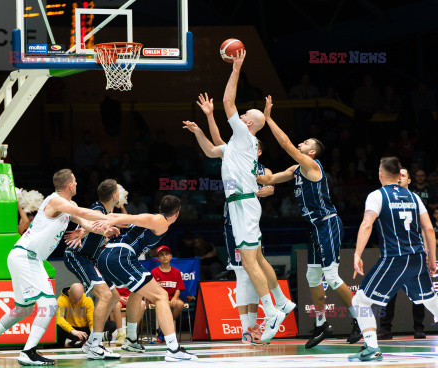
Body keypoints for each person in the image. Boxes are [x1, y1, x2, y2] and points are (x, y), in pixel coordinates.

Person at [183, 51, 288, 345]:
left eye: (244, 117)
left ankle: (272, 311)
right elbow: (210, 149)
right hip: (239, 205)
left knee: (249, 264)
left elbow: (229, 102)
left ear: (250, 125)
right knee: (251, 262)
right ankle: (277, 305)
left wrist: (237, 67)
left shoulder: (245, 136)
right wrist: (200, 128)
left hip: (243, 203)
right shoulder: (236, 144)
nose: (239, 117)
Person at [0, 169, 111, 365]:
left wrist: (106, 228)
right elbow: (81, 213)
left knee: (24, 308)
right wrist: (107, 218)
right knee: (49, 305)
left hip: (25, 257)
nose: (78, 184)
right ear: (70, 185)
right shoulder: (55, 201)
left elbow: (86, 222)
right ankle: (28, 352)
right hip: (26, 257)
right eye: (75, 182)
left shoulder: (68, 205)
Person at [257, 95, 361, 348]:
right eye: (301, 142)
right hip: (314, 227)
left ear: (311, 152)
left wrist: (269, 119)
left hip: (327, 223)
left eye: (305, 143)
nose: (300, 144)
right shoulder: (296, 170)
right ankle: (322, 324)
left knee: (332, 277)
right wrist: (248, 163)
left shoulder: (311, 165)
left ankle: (362, 321)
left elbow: (285, 145)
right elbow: (269, 180)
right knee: (312, 277)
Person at [349, 157, 438, 361]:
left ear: (380, 175)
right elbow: (429, 229)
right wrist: (431, 259)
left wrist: (357, 254)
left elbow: (366, 224)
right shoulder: (414, 197)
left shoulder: (376, 196)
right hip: (417, 258)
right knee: (430, 300)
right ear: (400, 176)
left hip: (395, 259)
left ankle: (371, 347)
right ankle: (371, 346)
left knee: (360, 301)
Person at [94, 195, 198, 362]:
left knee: (136, 292)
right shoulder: (160, 220)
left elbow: (122, 218)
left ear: (159, 207)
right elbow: (131, 217)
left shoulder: (151, 221)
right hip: (121, 255)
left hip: (106, 255)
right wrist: (111, 220)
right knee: (161, 296)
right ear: (177, 214)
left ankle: (129, 339)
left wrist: (102, 222)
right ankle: (173, 348)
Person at [63, 179, 124, 359]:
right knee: (105, 295)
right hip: (78, 256)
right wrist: (82, 231)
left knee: (114, 296)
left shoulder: (107, 212)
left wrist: (109, 229)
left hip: (91, 259)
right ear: (114, 195)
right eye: (118, 192)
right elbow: (90, 221)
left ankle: (91, 342)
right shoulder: (98, 209)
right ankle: (96, 344)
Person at [377, 168, 426, 340]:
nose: (399, 178)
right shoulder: (385, 197)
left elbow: (425, 227)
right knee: (387, 293)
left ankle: (419, 328)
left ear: (409, 181)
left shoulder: (416, 199)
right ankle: (385, 328)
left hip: (413, 252)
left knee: (418, 293)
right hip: (392, 254)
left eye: (403, 176)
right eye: (397, 175)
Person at [151, 245, 186, 343]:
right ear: (157, 258)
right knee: (164, 304)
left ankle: (162, 330)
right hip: (159, 298)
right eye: (161, 255)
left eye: (167, 254)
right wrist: (163, 299)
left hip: (171, 297)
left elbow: (178, 288)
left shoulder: (176, 272)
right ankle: (164, 330)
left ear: (171, 256)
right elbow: (153, 289)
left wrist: (174, 298)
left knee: (180, 304)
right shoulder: (154, 272)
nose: (165, 256)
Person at [56, 283, 94, 348]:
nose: (77, 302)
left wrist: (94, 334)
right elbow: (59, 319)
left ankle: (75, 342)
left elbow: (92, 320)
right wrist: (73, 331)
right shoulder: (61, 300)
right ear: (69, 292)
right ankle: (77, 341)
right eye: (74, 299)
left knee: (109, 325)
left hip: (84, 330)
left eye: (79, 299)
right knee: (57, 328)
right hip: (70, 330)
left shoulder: (87, 299)